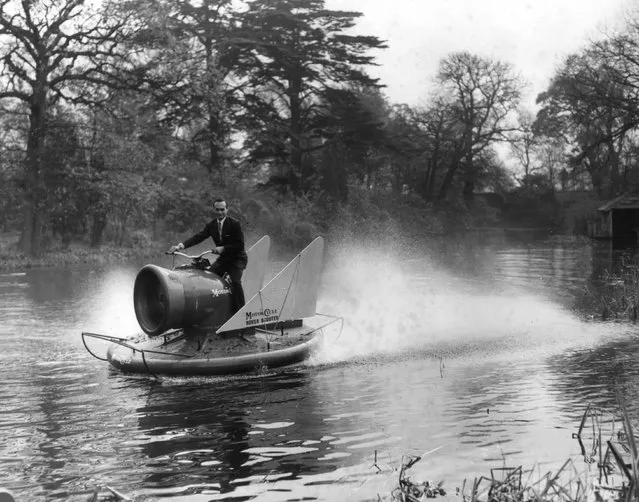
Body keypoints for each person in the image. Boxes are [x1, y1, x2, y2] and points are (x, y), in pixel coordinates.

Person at [169, 198, 248, 315]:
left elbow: (240, 245)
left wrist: (224, 248)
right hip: (224, 259)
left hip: (237, 258)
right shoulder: (212, 225)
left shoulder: (234, 224)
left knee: (235, 282)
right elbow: (198, 237)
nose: (220, 212)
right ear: (214, 210)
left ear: (227, 209)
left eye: (222, 210)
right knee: (210, 279)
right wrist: (180, 246)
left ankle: (243, 313)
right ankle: (219, 311)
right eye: (217, 210)